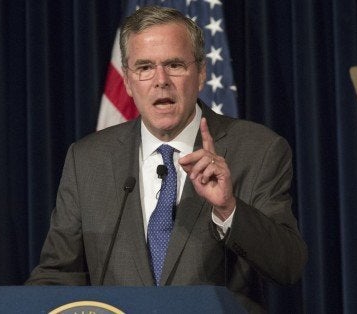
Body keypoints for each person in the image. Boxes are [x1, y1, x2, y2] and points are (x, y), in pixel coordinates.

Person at [26, 5, 307, 312]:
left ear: (200, 74)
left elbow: (288, 265)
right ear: (129, 82)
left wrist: (228, 208)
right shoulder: (88, 160)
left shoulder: (257, 150)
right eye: (145, 67)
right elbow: (56, 276)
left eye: (174, 65)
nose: (161, 80)